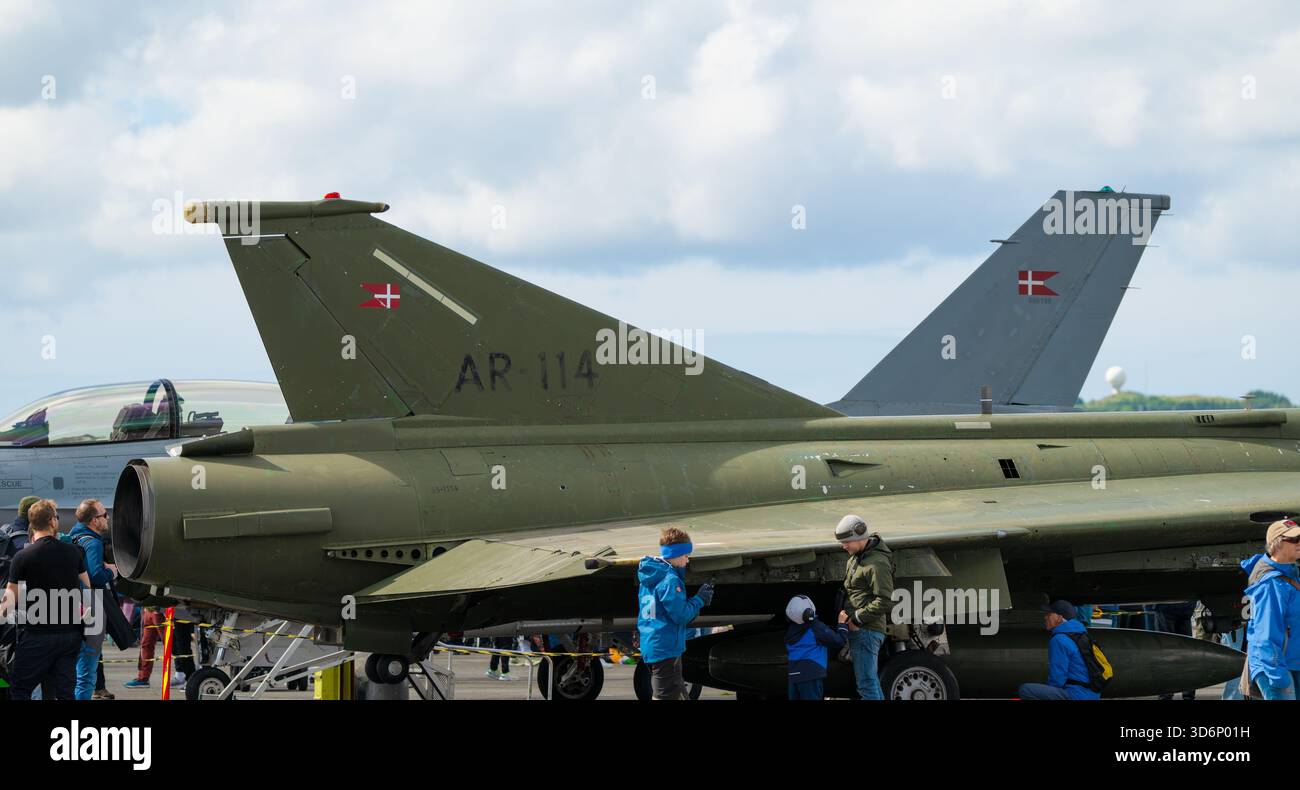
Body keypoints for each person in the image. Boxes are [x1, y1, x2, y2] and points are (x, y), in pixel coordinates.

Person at [0, 499, 93, 700]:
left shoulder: (23, 557)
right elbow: (87, 589)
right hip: (69, 635)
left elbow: (8, 601)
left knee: (20, 688)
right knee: (64, 692)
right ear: (52, 522)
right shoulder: (73, 552)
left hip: (37, 635)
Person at [636, 527, 712, 700]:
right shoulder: (670, 580)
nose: (688, 559)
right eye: (685, 555)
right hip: (666, 648)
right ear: (676, 554)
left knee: (677, 693)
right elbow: (681, 615)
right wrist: (700, 600)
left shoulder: (651, 575)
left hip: (654, 644)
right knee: (666, 696)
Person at [1239, 519, 1300, 700]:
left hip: (1290, 663)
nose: (1299, 542)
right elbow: (1266, 633)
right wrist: (1277, 677)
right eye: (1294, 539)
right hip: (1276, 667)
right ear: (1277, 544)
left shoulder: (1288, 574)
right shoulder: (1272, 584)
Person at [835, 514, 893, 700]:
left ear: (859, 537)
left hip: (866, 630)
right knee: (871, 683)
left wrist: (857, 618)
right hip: (862, 630)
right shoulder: (857, 557)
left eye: (847, 542)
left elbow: (884, 600)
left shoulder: (877, 563)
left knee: (866, 686)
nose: (844, 546)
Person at [69, 499, 116, 700]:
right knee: (87, 670)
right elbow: (95, 576)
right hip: (92, 604)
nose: (108, 518)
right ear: (94, 520)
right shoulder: (94, 542)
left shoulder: (73, 536)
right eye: (104, 515)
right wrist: (112, 572)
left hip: (73, 602)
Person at [1017, 600, 1101, 700]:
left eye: (1049, 614)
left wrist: (1048, 691)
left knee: (1025, 690)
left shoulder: (1059, 639)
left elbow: (1057, 679)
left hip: (1077, 695)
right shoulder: (1082, 634)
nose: (1045, 617)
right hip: (1092, 694)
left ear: (1059, 618)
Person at [784, 594, 847, 700]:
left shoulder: (790, 630)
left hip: (793, 675)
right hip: (811, 675)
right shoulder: (815, 628)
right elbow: (839, 641)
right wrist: (842, 624)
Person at [1152, 600, 1198, 699]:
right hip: (1186, 606)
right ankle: (1188, 694)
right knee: (1186, 655)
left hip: (1165, 606)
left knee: (1165, 654)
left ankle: (1166, 694)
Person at [125, 607, 162, 688]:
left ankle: (185, 676)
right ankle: (143, 678)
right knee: (146, 644)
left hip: (161, 609)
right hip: (148, 608)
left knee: (172, 645)